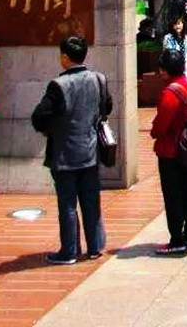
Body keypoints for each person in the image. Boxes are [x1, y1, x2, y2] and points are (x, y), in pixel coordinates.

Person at [31, 36, 112, 264]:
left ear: (65, 57)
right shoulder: (98, 79)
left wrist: (52, 129)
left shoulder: (58, 85)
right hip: (90, 151)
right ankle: (94, 247)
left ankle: (69, 251)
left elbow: (39, 117)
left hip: (64, 154)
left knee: (67, 204)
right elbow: (107, 106)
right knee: (91, 201)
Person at [149, 48, 187, 254]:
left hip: (171, 149)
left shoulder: (170, 93)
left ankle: (177, 238)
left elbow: (161, 125)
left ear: (166, 70)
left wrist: (154, 132)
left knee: (173, 194)